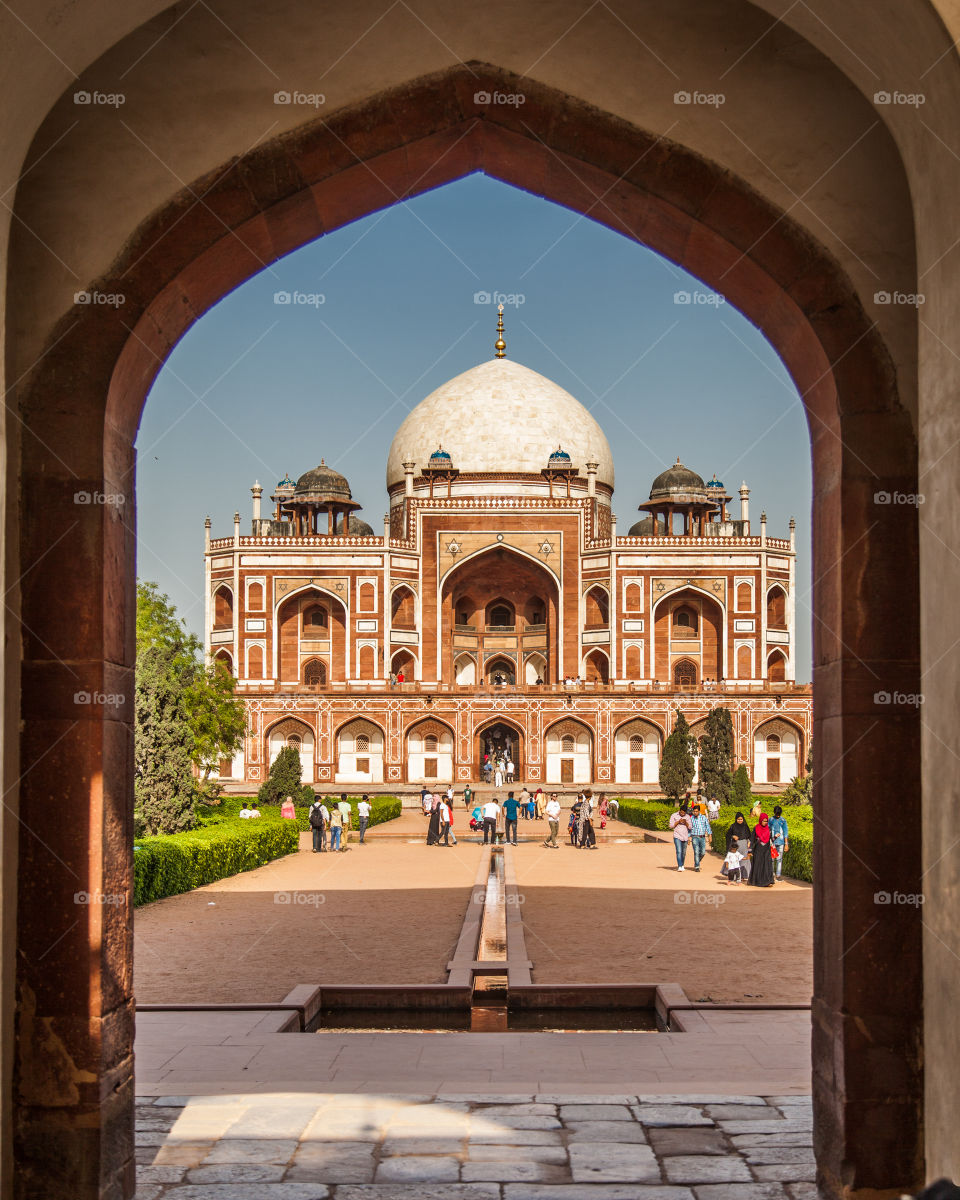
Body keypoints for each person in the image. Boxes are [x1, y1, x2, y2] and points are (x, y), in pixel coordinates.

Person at [749, 813, 775, 886]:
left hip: (766, 850)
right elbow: (752, 839)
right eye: (763, 821)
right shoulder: (756, 828)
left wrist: (775, 837)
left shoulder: (768, 828)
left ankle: (767, 881)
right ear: (760, 820)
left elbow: (771, 839)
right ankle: (757, 881)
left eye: (766, 821)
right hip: (758, 849)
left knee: (766, 865)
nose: (765, 822)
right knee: (758, 864)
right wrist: (750, 849)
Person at [726, 812, 752, 881]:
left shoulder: (745, 826)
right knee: (736, 860)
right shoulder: (733, 826)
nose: (740, 821)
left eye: (741, 819)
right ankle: (735, 876)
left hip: (744, 845)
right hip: (736, 845)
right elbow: (728, 835)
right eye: (738, 819)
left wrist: (749, 842)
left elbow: (749, 836)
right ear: (736, 819)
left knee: (745, 860)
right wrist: (733, 836)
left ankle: (745, 875)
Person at [669, 802, 692, 871]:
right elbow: (671, 826)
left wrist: (686, 823)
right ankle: (679, 866)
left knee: (683, 852)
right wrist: (678, 822)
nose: (682, 814)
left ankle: (682, 864)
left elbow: (690, 827)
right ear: (679, 811)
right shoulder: (674, 815)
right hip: (677, 836)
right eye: (681, 813)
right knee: (679, 851)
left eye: (684, 813)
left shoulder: (687, 817)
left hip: (685, 836)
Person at [688, 804, 712, 872]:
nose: (695, 812)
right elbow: (690, 828)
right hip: (695, 837)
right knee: (696, 852)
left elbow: (707, 826)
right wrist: (689, 838)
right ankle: (697, 866)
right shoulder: (691, 818)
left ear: (699, 811)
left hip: (702, 837)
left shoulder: (703, 817)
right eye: (694, 811)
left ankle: (697, 861)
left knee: (703, 852)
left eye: (696, 811)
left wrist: (710, 835)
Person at [769, 804, 789, 881]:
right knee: (772, 859)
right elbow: (768, 830)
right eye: (777, 814)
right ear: (774, 813)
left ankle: (778, 875)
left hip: (781, 842)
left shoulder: (783, 820)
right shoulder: (770, 820)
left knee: (779, 859)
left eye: (779, 814)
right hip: (772, 842)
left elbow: (785, 832)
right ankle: (771, 874)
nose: (778, 816)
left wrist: (786, 844)